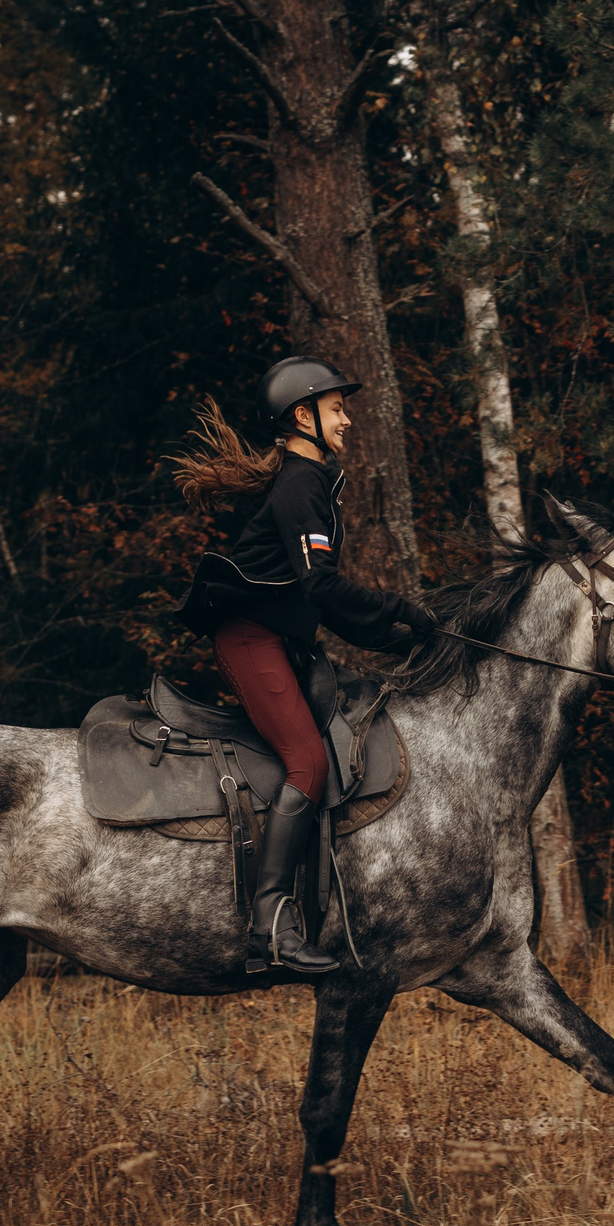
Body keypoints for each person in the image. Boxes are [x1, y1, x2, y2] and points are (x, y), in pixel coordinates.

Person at [171, 357, 437, 976]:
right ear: (303, 415)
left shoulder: (315, 483)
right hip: (250, 640)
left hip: (285, 640)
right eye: (338, 409)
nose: (347, 420)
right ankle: (268, 925)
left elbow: (327, 606)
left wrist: (403, 638)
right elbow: (323, 588)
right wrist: (403, 610)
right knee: (310, 762)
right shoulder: (301, 485)